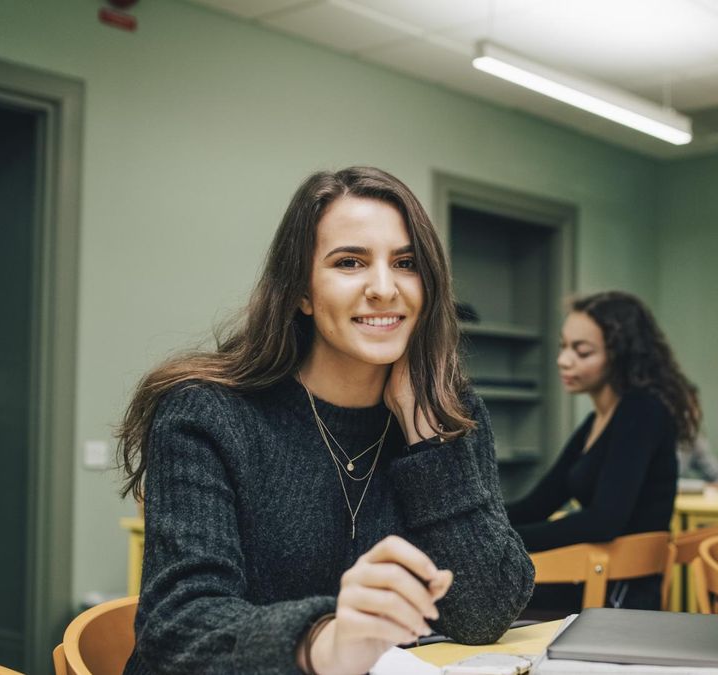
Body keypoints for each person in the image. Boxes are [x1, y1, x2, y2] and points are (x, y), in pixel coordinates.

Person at [117, 167, 533, 675]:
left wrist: (428, 441)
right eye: (350, 262)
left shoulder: (451, 414)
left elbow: (486, 615)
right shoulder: (205, 414)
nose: (384, 288)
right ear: (302, 292)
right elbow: (179, 626)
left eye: (405, 263)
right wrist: (325, 642)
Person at [505, 291, 699, 611]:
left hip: (622, 592)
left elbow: (604, 521)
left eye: (582, 351)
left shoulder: (642, 411)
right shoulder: (599, 420)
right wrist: (476, 526)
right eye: (564, 347)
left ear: (620, 355)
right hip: (594, 578)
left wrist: (502, 540)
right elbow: (538, 503)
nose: (563, 360)